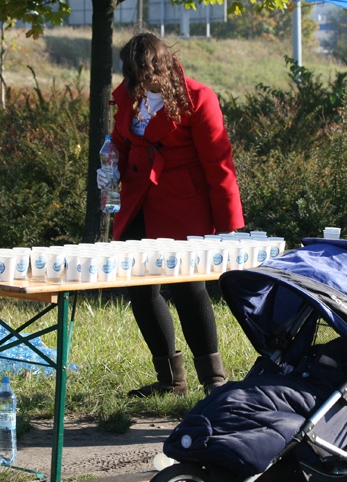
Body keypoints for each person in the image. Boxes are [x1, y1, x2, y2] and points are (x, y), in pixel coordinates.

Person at [97, 31, 245, 398]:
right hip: (137, 201)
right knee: (141, 291)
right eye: (132, 74)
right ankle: (170, 380)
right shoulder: (129, 96)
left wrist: (229, 228)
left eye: (144, 73)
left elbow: (219, 164)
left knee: (189, 289)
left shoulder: (198, 97)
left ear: (161, 65)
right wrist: (111, 161)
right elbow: (120, 138)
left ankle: (214, 381)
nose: (138, 81)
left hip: (185, 204)